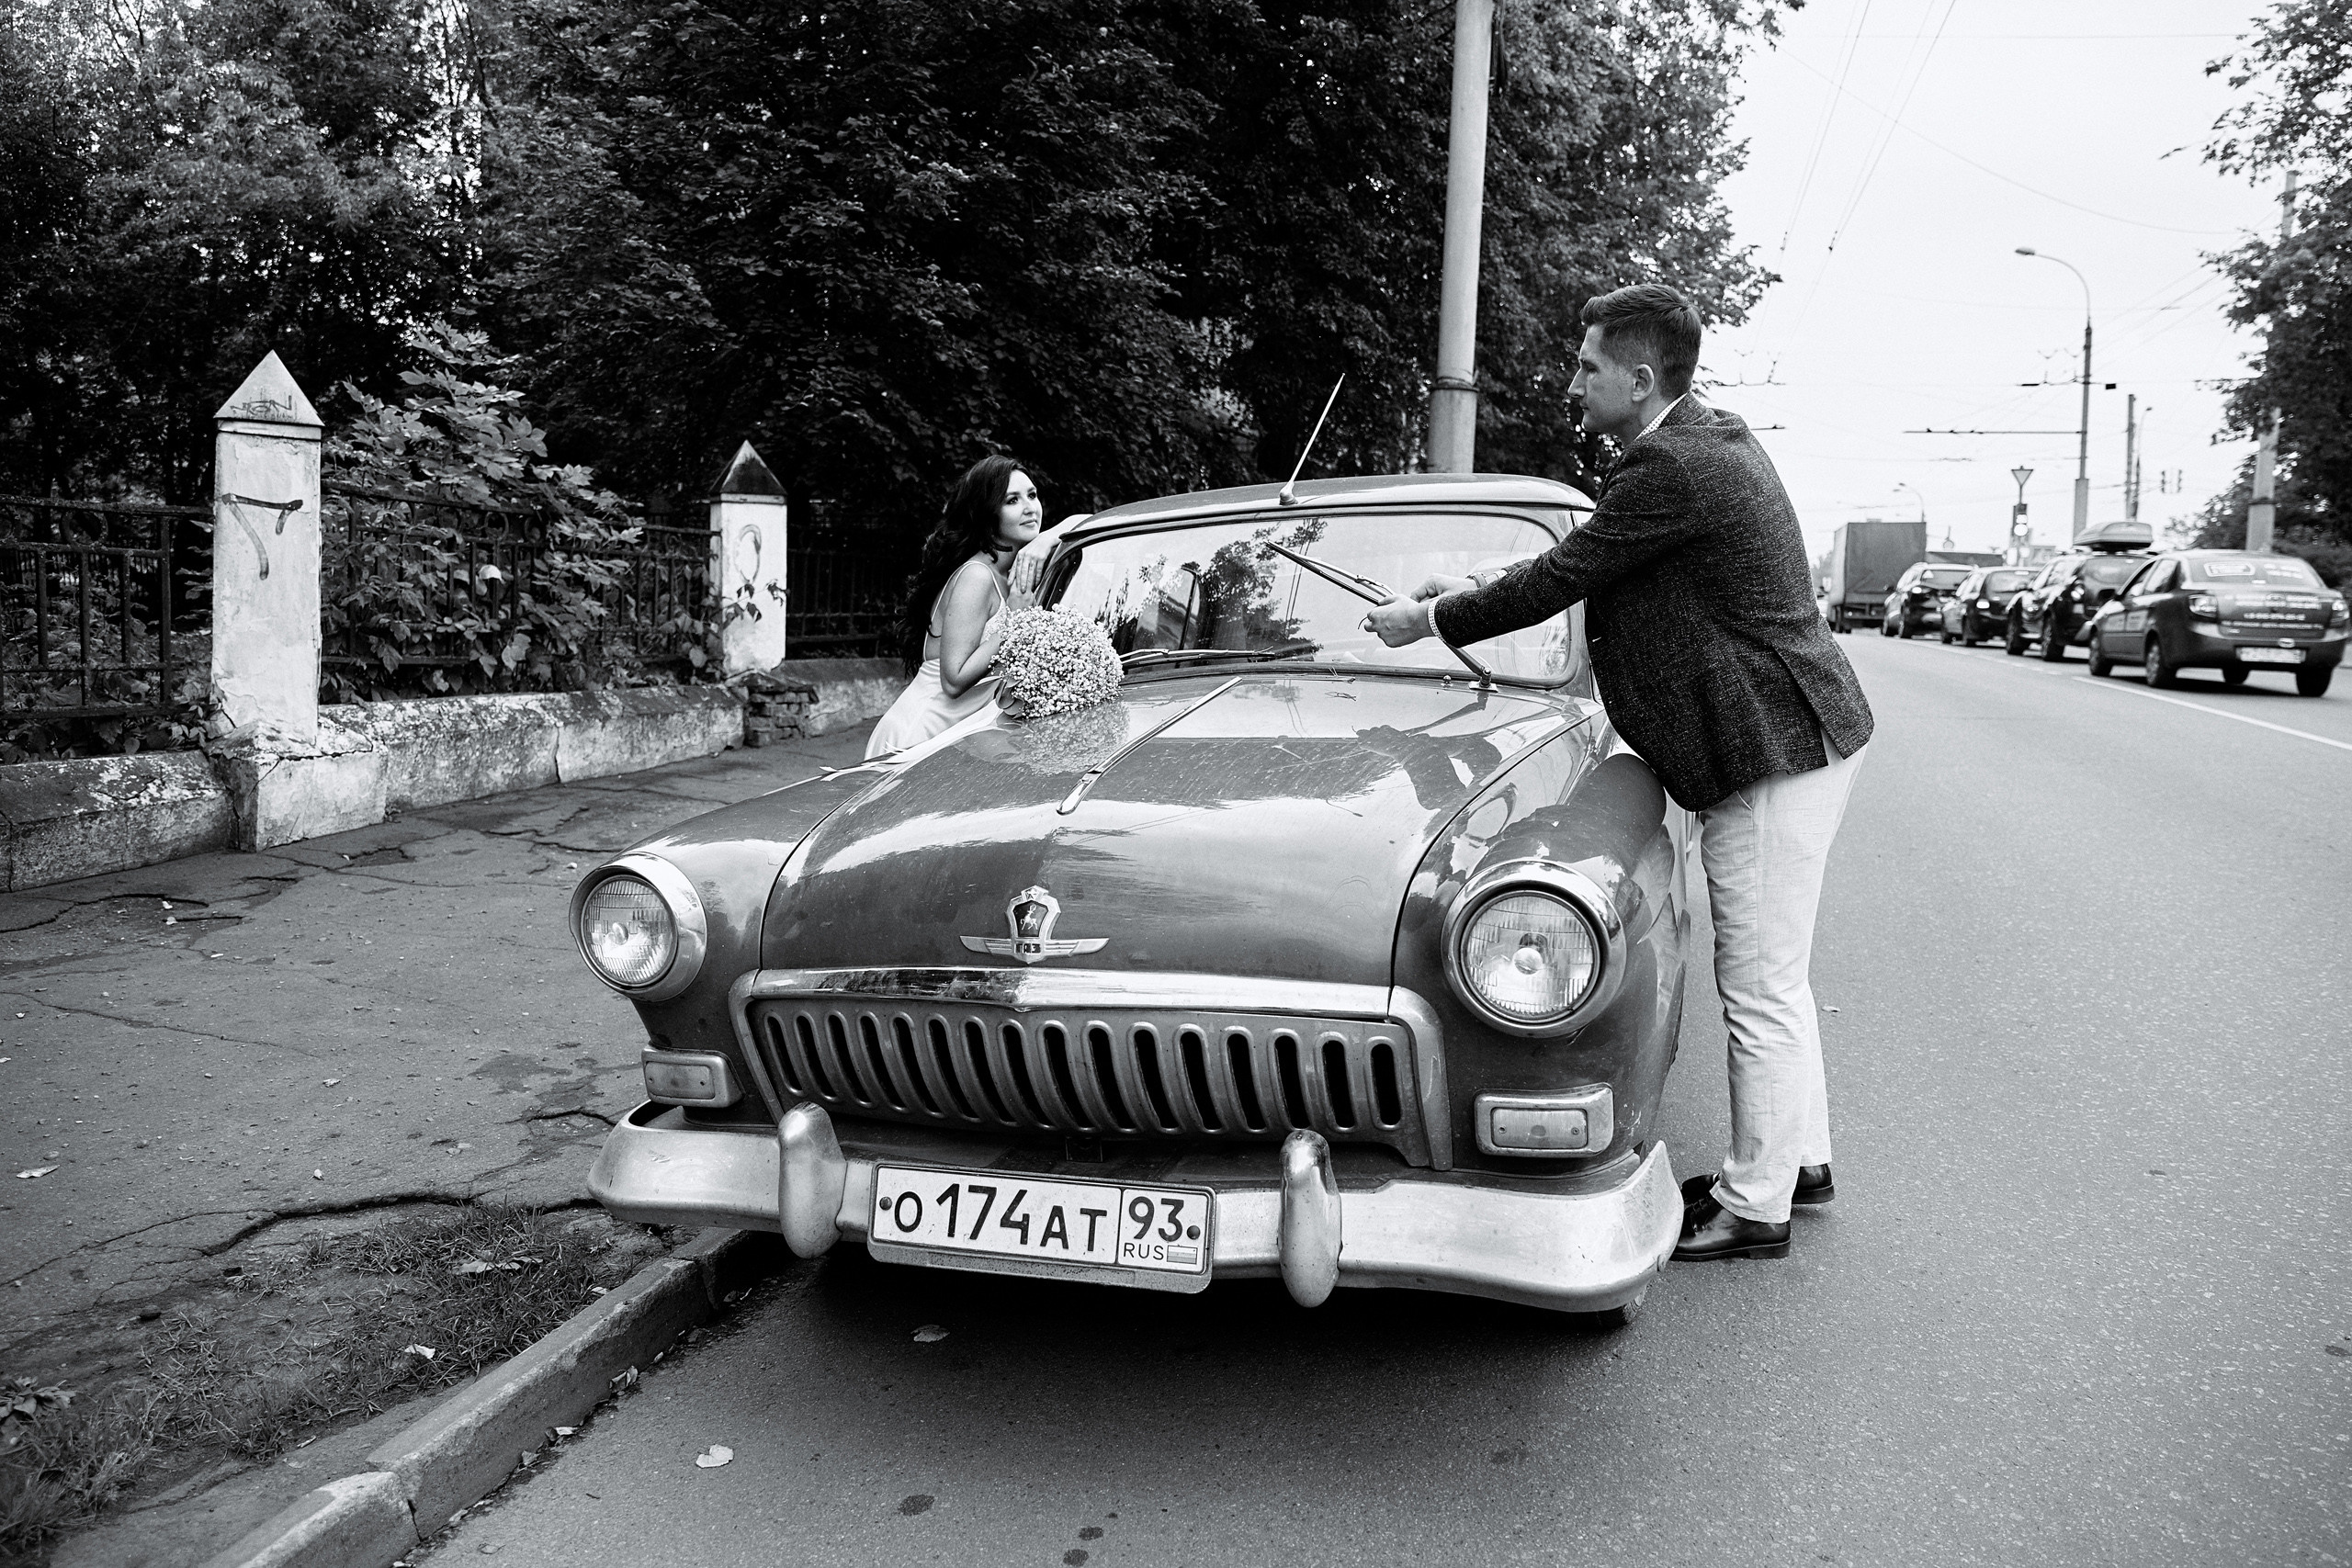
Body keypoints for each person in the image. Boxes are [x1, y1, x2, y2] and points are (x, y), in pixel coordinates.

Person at [1365, 283, 1874, 1263]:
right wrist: (1461, 592)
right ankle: (1797, 1161)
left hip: (1770, 749)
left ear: (1639, 381)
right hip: (1794, 734)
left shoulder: (1670, 469)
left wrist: (1424, 621)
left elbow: (1561, 576)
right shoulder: (1698, 443)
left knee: (1758, 984)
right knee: (1780, 977)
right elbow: (1587, 566)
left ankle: (1757, 1204)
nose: (1572, 383)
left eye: (1587, 365)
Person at [865, 457, 1044, 758]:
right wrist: (1015, 621)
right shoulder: (977, 575)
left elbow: (1086, 521)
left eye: (1033, 495)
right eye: (1012, 500)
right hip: (916, 737)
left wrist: (1049, 538)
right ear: (988, 513)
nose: (1029, 507)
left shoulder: (1007, 576)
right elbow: (954, 679)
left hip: (952, 742)